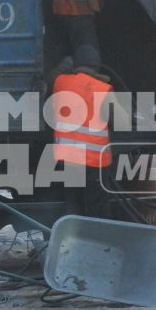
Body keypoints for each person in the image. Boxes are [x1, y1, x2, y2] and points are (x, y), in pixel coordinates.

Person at [49, 44, 112, 220]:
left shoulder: (61, 82)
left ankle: (74, 240)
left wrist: (64, 65)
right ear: (96, 65)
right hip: (94, 162)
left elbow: (51, 78)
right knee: (97, 208)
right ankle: (99, 243)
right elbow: (118, 119)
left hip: (68, 158)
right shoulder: (102, 88)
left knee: (73, 205)